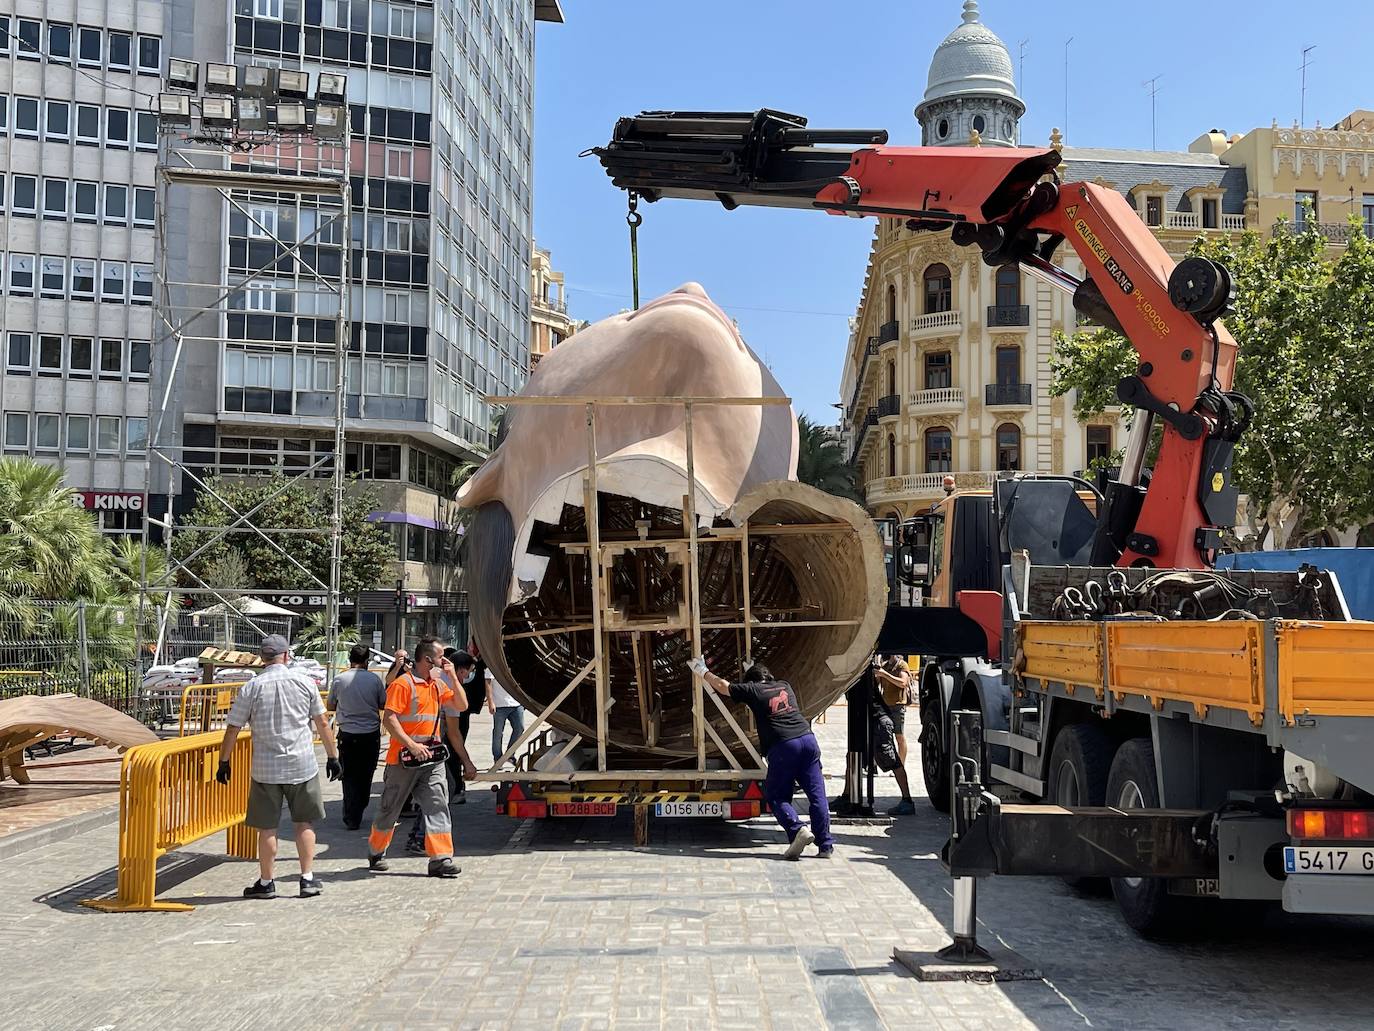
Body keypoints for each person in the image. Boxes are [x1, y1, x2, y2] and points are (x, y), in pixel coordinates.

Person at [217, 634, 341, 900]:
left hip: (265, 769)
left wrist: (224, 761)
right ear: (286, 656)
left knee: (267, 828)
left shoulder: (251, 687)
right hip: (302, 765)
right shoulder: (305, 682)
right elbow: (322, 722)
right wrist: (333, 756)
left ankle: (266, 882)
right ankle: (307, 879)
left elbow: (233, 728)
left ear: (263, 658)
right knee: (304, 823)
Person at [692, 657, 834, 859]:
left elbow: (723, 686)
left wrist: (703, 671)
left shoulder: (752, 691)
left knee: (776, 795)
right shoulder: (785, 685)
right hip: (808, 740)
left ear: (751, 682)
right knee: (817, 796)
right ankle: (825, 846)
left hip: (784, 745)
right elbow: (768, 691)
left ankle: (797, 830)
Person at [367, 637, 477, 877]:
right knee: (390, 809)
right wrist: (411, 745)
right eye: (440, 656)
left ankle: (441, 859)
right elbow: (390, 719)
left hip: (432, 759)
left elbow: (462, 704)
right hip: (403, 760)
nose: (445, 659)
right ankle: (376, 850)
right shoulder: (403, 684)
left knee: (438, 805)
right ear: (428, 659)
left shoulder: (437, 684)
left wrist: (451, 675)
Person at [327, 643, 387, 830]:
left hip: (347, 734)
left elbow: (330, 706)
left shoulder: (339, 679)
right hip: (370, 735)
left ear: (349, 660)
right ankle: (359, 808)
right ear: (367, 661)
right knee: (366, 774)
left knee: (349, 775)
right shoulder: (375, 680)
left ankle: (351, 813)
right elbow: (383, 703)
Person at [874, 655, 916, 815]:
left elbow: (903, 683)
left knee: (899, 737)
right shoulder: (885, 665)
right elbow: (878, 684)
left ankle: (900, 764)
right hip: (886, 705)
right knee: (888, 739)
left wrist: (884, 675)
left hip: (897, 707)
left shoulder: (901, 665)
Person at [445, 648, 482, 804]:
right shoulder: (451, 689)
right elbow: (453, 733)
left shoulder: (434, 679)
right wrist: (467, 763)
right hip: (429, 748)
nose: (469, 675)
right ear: (460, 670)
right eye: (469, 671)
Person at [486, 664, 524, 767]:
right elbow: (488, 682)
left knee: (520, 728)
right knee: (498, 732)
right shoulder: (494, 664)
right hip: (499, 704)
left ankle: (510, 755)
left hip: (516, 703)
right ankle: (498, 758)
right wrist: (490, 702)